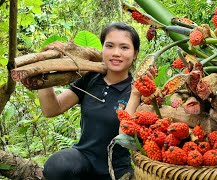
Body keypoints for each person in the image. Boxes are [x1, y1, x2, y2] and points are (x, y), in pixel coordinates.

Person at [39, 22, 144, 180]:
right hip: (83, 160)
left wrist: (136, 96)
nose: (116, 53)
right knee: (57, 166)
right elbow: (51, 109)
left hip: (117, 170)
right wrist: (43, 72)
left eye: (124, 47)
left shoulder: (137, 91)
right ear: (102, 49)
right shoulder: (90, 79)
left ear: (135, 53)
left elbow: (127, 137)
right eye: (109, 46)